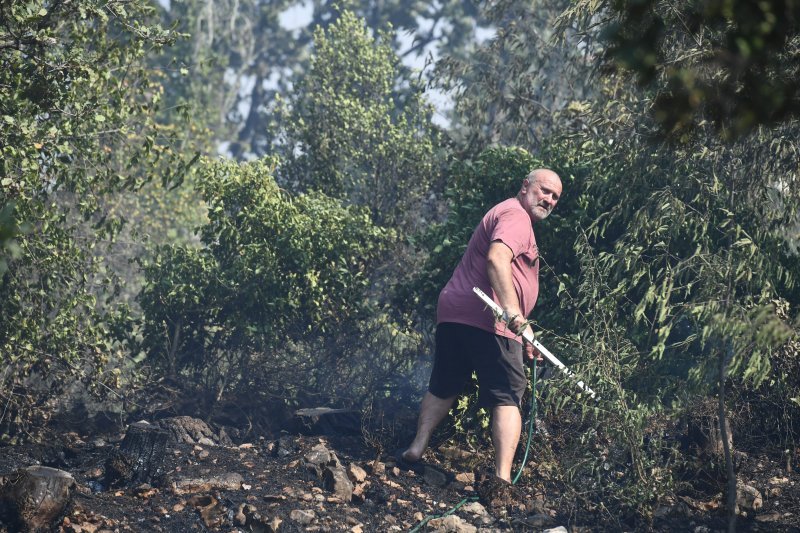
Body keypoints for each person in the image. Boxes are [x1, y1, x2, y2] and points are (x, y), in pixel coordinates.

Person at [400, 168, 562, 484]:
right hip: (490, 319)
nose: (549, 200)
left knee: (444, 384)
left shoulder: (504, 211)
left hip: (454, 314)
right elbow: (496, 259)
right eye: (544, 191)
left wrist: (523, 329)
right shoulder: (517, 217)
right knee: (507, 395)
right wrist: (514, 314)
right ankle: (502, 481)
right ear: (525, 185)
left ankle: (417, 447)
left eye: (555, 197)